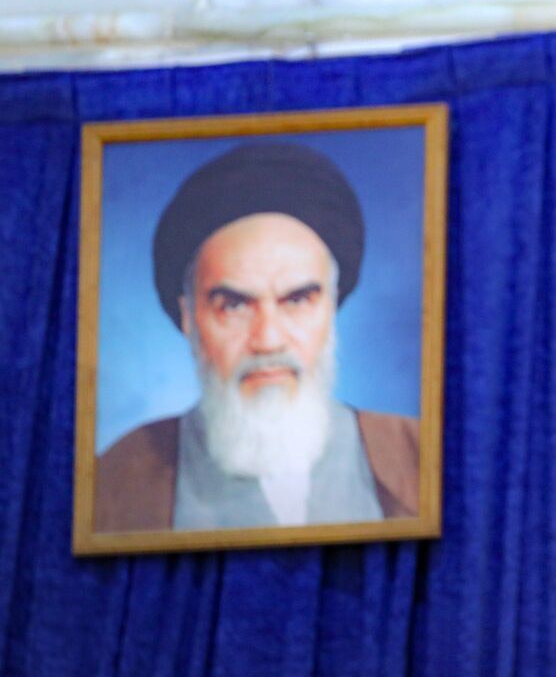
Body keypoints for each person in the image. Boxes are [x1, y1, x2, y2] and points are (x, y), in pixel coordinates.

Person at [94, 142, 420, 533]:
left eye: (297, 300)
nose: (267, 340)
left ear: (331, 307)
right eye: (234, 306)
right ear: (188, 316)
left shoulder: (418, 455)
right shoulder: (116, 480)